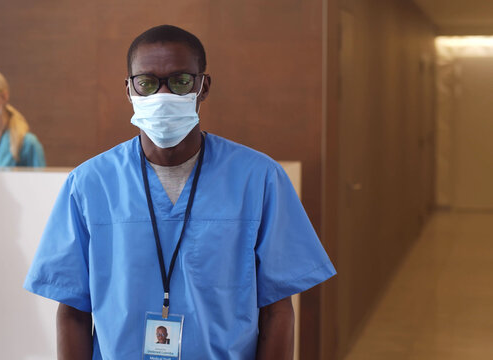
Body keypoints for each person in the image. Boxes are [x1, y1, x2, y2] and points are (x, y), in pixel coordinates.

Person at [24, 25, 336, 359]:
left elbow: (277, 310)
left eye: (180, 81)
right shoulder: (89, 184)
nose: (162, 95)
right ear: (129, 89)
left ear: (203, 87)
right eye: (146, 82)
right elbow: (72, 310)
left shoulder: (259, 179)